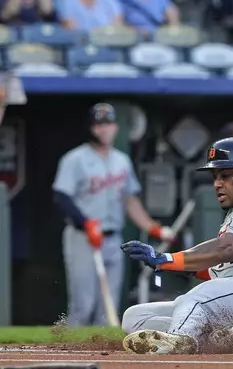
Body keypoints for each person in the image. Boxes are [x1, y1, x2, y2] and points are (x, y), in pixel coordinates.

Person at [120, 138, 233, 354]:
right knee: (135, 317)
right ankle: (219, 338)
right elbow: (215, 271)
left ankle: (180, 341)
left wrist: (166, 258)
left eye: (225, 176)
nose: (217, 184)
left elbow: (227, 249)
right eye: (215, 177)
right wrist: (164, 263)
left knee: (197, 297)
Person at [52, 103, 175, 326]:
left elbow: (129, 200)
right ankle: (70, 355)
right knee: (84, 304)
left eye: (108, 124)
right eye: (99, 124)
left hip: (113, 239)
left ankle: (102, 357)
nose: (104, 129)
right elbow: (61, 196)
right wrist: (85, 223)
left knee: (106, 309)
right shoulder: (75, 159)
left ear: (116, 128)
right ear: (91, 128)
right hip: (83, 238)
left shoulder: (121, 160)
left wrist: (152, 228)